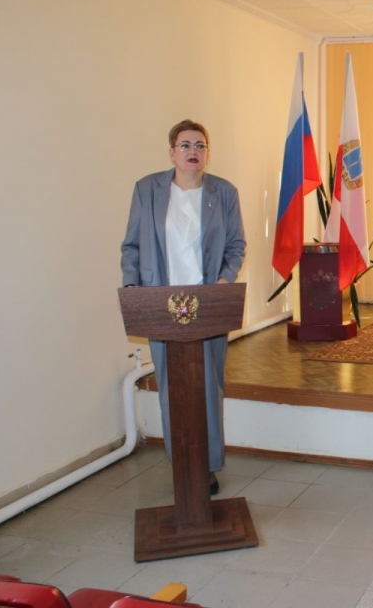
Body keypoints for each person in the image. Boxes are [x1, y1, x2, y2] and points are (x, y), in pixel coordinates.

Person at [120, 119, 246, 496]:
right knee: (171, 388)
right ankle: (182, 465)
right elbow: (132, 245)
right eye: (186, 145)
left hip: (208, 305)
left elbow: (236, 245)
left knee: (209, 387)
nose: (194, 151)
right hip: (162, 305)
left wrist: (224, 279)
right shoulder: (147, 190)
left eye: (201, 145)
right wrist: (133, 287)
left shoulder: (224, 192)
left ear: (208, 153)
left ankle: (207, 465)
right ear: (172, 152)